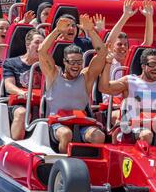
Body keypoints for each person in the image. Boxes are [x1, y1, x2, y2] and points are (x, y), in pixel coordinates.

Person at [39, 15, 107, 153]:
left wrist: (91, 31)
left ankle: (91, 166)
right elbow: (42, 51)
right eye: (72, 62)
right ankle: (63, 166)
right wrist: (57, 31)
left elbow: (102, 54)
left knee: (98, 136)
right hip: (56, 125)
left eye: (79, 62)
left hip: (81, 124)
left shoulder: (86, 77)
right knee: (66, 134)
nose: (76, 66)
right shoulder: (54, 74)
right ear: (64, 62)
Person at [102, 0, 154, 124]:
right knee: (123, 118)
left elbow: (147, 43)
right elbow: (108, 41)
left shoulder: (129, 62)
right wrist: (125, 16)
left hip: (131, 104)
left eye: (126, 44)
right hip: (111, 106)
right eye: (119, 44)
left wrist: (149, 17)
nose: (124, 47)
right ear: (113, 47)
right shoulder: (107, 60)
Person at [3, 29, 44, 140]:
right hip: (19, 102)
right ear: (27, 44)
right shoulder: (11, 63)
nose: (40, 46)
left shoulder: (46, 66)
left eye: (42, 44)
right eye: (37, 42)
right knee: (22, 113)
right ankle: (16, 145)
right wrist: (22, 92)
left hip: (41, 103)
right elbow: (8, 85)